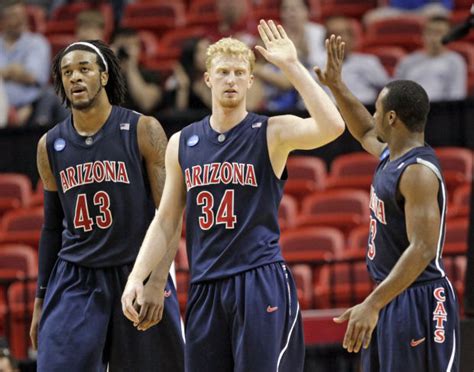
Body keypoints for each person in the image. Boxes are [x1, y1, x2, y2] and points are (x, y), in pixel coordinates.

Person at [122, 20, 345, 371]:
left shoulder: (270, 132)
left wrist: (291, 65)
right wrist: (138, 276)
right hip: (206, 286)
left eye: (240, 72)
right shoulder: (182, 142)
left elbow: (333, 126)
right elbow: (165, 220)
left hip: (259, 279)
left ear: (250, 81)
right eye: (223, 72)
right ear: (208, 79)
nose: (231, 79)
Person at [29, 40, 184, 371]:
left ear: (103, 76)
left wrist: (157, 280)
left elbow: (169, 213)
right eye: (67, 72)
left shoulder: (143, 129)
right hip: (76, 278)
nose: (75, 78)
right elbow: (51, 227)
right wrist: (41, 300)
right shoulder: (49, 145)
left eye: (84, 69)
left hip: (135, 271)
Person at [315, 35, 460, 371]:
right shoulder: (391, 155)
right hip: (392, 293)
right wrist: (336, 86)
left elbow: (423, 248)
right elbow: (364, 129)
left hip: (420, 297)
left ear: (392, 117)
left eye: (378, 108)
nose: (373, 114)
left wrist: (372, 304)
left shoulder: (417, 172)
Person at [253, 0, 327, 111]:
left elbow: (320, 68)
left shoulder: (318, 32)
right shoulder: (275, 34)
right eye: (286, 9)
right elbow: (269, 64)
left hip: (314, 88)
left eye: (296, 8)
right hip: (280, 91)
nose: (291, 12)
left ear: (307, 11)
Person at [0, 0, 62, 127]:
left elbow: (33, 77)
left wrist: (4, 73)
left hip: (31, 105)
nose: (20, 20)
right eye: (14, 16)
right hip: (2, 105)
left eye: (22, 15)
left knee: (50, 95)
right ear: (3, 19)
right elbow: (23, 74)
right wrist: (14, 71)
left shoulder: (37, 43)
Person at [394, 15, 466, 102]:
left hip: (441, 110)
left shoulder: (455, 62)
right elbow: (395, 93)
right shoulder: (408, 61)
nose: (434, 38)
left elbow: (456, 96)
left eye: (439, 33)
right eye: (430, 32)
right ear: (423, 35)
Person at [320, 15, 389, 105]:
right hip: (331, 110)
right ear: (326, 40)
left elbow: (387, 89)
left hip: (366, 109)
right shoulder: (317, 65)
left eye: (343, 34)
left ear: (352, 38)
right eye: (334, 34)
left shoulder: (369, 62)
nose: (339, 39)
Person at [111, 28, 162, 115]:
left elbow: (146, 104)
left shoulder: (151, 75)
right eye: (123, 47)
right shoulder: (104, 74)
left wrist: (131, 67)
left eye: (133, 46)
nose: (127, 51)